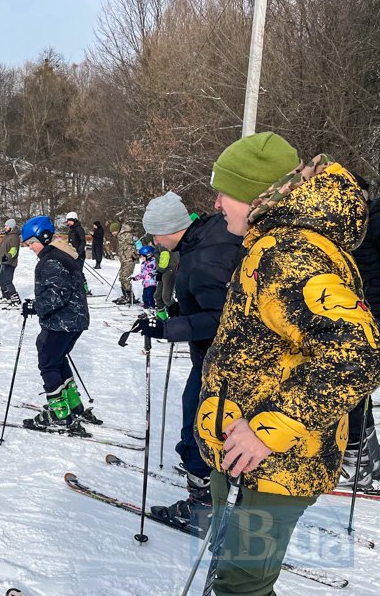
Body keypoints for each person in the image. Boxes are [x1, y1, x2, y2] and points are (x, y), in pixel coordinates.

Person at [194, 133, 380, 596]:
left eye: (225, 190)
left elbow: (357, 354)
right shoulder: (275, 244)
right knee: (236, 579)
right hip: (247, 460)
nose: (216, 202)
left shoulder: (288, 253)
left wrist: (267, 430)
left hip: (274, 466)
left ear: (258, 194)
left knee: (241, 586)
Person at [128, 190, 244, 532]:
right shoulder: (202, 239)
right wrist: (177, 311)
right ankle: (215, 491)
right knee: (204, 421)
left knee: (196, 426)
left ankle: (203, 509)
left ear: (165, 230)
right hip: (215, 355)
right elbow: (210, 299)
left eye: (154, 234)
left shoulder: (205, 253)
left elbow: (221, 316)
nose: (155, 242)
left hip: (221, 359)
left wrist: (168, 327)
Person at [19, 215, 92, 433]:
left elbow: (58, 294)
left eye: (32, 242)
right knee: (58, 359)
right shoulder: (61, 255)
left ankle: (59, 413)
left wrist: (36, 306)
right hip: (73, 319)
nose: (30, 248)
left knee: (48, 361)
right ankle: (73, 404)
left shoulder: (51, 260)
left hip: (62, 321)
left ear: (43, 236)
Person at [340, 174, 380, 487]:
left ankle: (356, 462)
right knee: (358, 389)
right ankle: (368, 457)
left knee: (351, 386)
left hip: (370, 318)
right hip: (360, 315)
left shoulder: (368, 226)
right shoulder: (361, 224)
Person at [112, 221, 139, 305]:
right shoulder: (119, 236)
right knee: (122, 277)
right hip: (124, 260)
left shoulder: (126, 235)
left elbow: (138, 242)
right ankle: (125, 295)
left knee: (125, 277)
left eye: (114, 231)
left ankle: (130, 297)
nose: (113, 233)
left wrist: (137, 253)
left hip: (130, 260)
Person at [65, 212, 91, 295]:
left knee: (78, 272)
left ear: (74, 220)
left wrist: (79, 252)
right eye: (67, 221)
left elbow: (83, 241)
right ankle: (75, 288)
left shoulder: (79, 229)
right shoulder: (71, 229)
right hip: (72, 254)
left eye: (69, 221)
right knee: (72, 272)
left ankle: (85, 289)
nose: (68, 223)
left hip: (79, 254)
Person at [154, 245, 179, 320]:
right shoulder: (158, 241)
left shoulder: (163, 240)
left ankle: (177, 315)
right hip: (164, 270)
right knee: (157, 296)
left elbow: (165, 255)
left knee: (166, 297)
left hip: (169, 270)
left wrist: (160, 270)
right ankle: (162, 317)